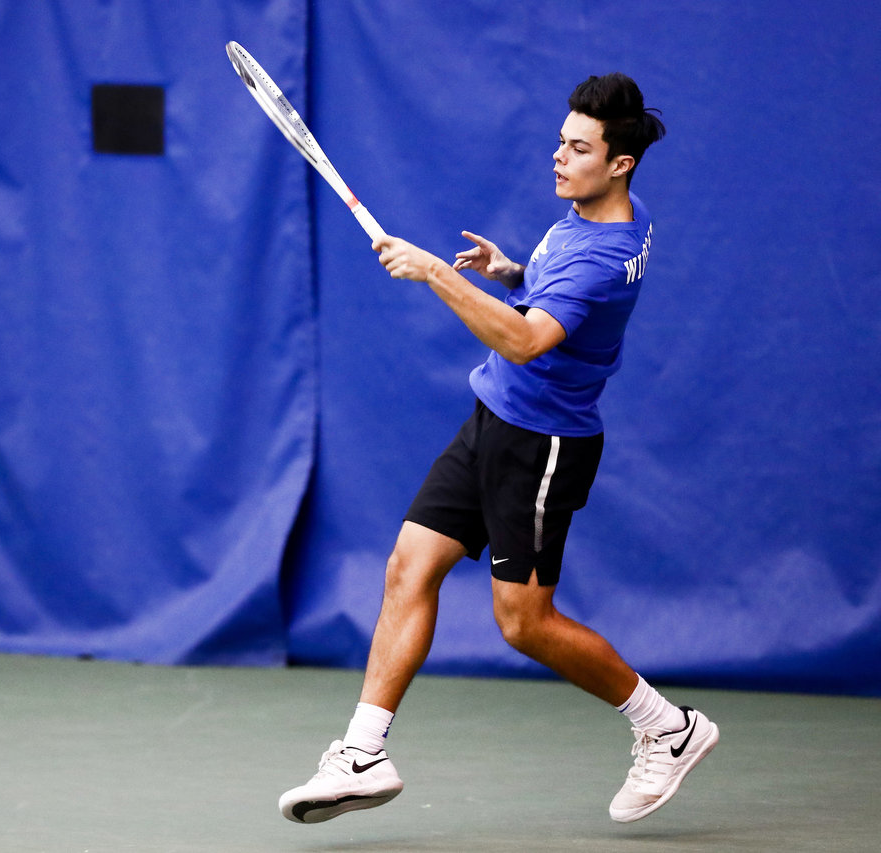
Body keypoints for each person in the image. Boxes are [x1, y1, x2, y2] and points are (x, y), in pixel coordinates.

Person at [279, 72, 717, 826]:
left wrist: (433, 272)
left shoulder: (602, 254)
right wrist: (514, 271)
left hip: (542, 443)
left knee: (523, 622)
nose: (558, 156)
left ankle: (666, 726)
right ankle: (362, 751)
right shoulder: (608, 210)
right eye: (560, 139)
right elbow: (546, 302)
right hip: (491, 419)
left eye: (578, 148)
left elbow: (523, 339)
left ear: (621, 163)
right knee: (409, 566)